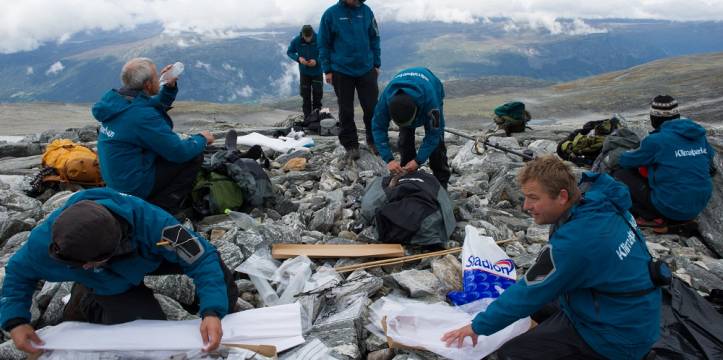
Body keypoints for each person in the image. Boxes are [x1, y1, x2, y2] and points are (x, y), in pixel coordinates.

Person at [442, 156, 661, 360]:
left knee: (510, 353)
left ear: (562, 196)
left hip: (616, 338)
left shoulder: (576, 242)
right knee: (535, 304)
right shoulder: (599, 204)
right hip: (628, 311)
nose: (526, 206)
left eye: (533, 198)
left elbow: (529, 292)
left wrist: (477, 327)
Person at [0, 188, 238, 355]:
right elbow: (18, 274)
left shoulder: (154, 223)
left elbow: (201, 257)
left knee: (219, 284)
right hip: (108, 281)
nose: (83, 265)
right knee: (145, 337)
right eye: (78, 264)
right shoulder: (48, 243)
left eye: (88, 262)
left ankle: (221, 318)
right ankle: (85, 297)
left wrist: (212, 312)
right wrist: (16, 321)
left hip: (149, 256)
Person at [92, 58, 215, 215]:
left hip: (117, 179)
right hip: (133, 186)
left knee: (170, 148)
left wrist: (169, 87)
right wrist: (202, 138)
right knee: (193, 155)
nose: (160, 78)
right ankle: (162, 208)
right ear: (148, 85)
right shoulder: (141, 116)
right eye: (157, 77)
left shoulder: (117, 101)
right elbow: (179, 152)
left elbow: (149, 104)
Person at [613, 95, 715, 228]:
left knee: (621, 173)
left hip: (670, 209)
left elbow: (625, 161)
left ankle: (652, 216)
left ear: (655, 118)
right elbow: (709, 161)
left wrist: (625, 151)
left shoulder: (656, 140)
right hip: (698, 207)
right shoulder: (698, 136)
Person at [319, 0, 381, 159]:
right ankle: (350, 144)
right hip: (341, 70)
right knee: (346, 109)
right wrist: (327, 69)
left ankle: (374, 140)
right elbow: (323, 43)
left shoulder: (367, 11)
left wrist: (376, 63)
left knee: (372, 107)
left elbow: (374, 37)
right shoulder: (330, 14)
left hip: (366, 68)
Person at [372, 67, 450, 188]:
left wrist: (419, 160)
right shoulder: (385, 101)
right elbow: (377, 128)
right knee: (405, 139)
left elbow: (434, 133)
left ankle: (442, 183)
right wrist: (389, 160)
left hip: (432, 86)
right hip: (406, 104)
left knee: (437, 146)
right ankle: (407, 177)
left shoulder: (431, 103)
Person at [287, 25, 324, 119]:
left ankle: (317, 117)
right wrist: (298, 58)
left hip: (317, 72)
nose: (308, 39)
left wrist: (317, 61)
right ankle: (307, 118)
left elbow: (326, 52)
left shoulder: (320, 38)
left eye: (309, 37)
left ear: (312, 34)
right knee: (305, 96)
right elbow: (290, 52)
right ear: (302, 35)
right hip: (304, 73)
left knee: (317, 96)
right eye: (306, 37)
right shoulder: (297, 40)